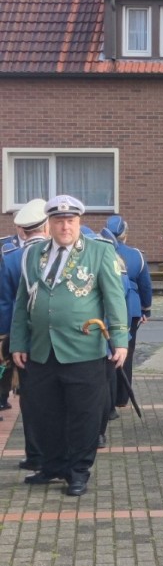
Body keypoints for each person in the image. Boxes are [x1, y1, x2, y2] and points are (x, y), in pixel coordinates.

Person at [10, 194, 128, 497]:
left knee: (83, 415)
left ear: (79, 222)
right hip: (41, 349)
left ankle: (78, 471)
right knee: (44, 414)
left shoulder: (99, 252)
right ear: (48, 224)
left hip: (83, 349)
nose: (65, 227)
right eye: (59, 221)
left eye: (71, 221)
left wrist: (120, 340)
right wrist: (18, 342)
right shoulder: (33, 255)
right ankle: (52, 465)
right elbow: (22, 302)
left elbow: (115, 298)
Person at [0, 199, 49, 464]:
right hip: (53, 339)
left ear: (22, 229)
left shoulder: (10, 259)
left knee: (29, 399)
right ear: (47, 226)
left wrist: (8, 339)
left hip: (21, 340)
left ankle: (35, 454)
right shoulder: (56, 255)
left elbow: (6, 303)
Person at [100, 214, 153, 393]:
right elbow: (145, 285)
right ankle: (123, 395)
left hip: (105, 309)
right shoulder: (136, 255)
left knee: (106, 352)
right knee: (126, 352)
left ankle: (109, 394)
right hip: (131, 309)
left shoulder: (99, 251)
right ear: (125, 234)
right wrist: (146, 309)